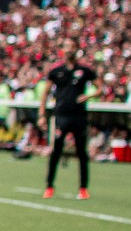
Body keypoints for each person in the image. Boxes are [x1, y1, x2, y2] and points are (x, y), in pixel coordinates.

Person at [40, 48, 95, 200]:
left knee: (81, 153)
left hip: (79, 116)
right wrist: (42, 114)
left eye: (71, 46)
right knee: (56, 152)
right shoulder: (56, 71)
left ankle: (83, 188)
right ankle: (49, 186)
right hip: (61, 116)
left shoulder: (85, 70)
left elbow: (101, 88)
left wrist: (88, 96)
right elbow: (45, 92)